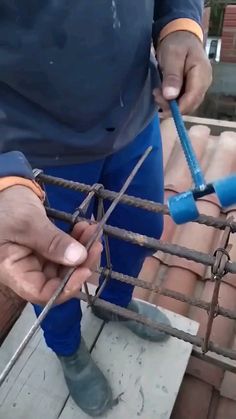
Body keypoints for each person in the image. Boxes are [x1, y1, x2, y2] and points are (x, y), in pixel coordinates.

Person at [0, 1, 212, 416]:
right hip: (31, 148)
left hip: (135, 118)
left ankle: (114, 303)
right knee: (54, 272)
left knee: (141, 231)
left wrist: (180, 24)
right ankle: (68, 350)